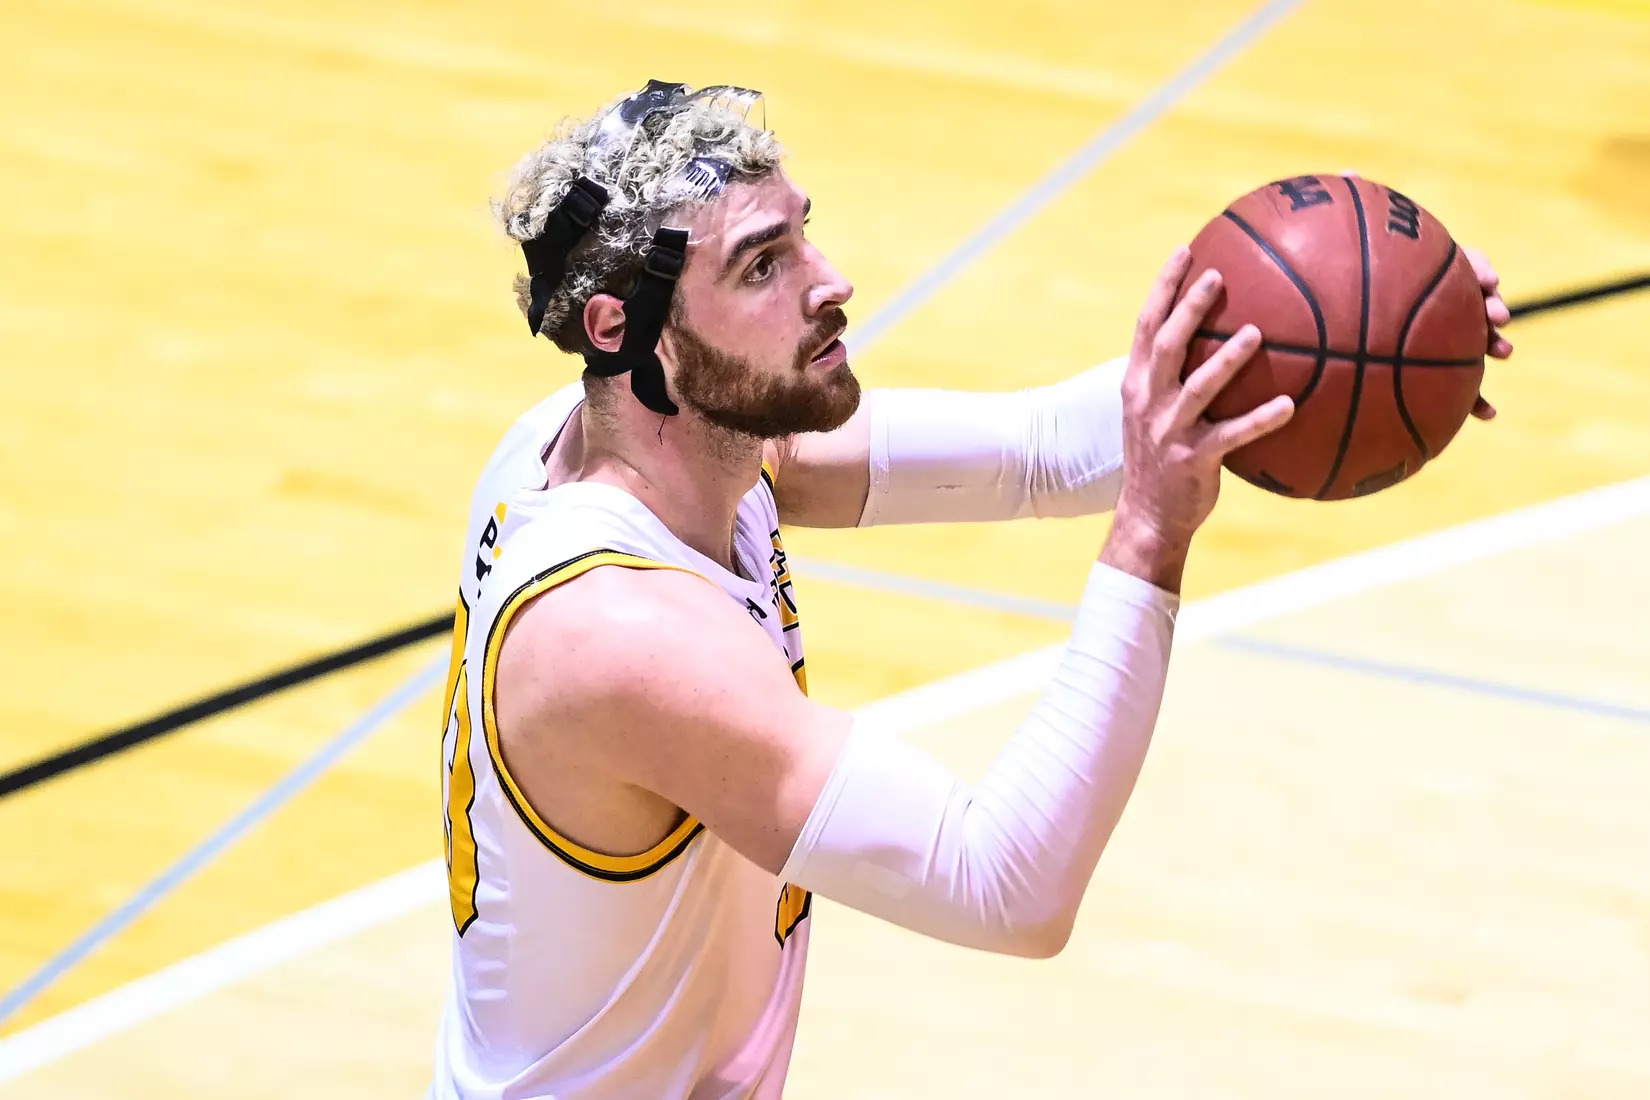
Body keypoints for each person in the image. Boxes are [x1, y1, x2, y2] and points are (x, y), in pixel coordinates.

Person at [431, 81, 1512, 1099]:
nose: (827, 281)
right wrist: (1150, 537)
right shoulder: (620, 635)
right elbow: (1008, 885)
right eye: (762, 266)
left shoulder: (643, 443)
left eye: (803, 231)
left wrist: (1318, 351)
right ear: (627, 333)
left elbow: (1037, 453)